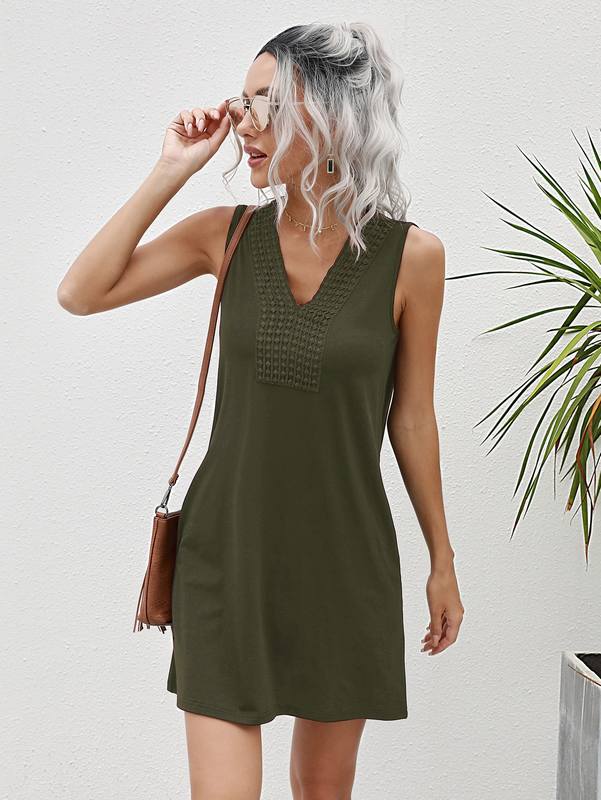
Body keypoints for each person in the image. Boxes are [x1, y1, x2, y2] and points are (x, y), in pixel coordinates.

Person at [58, 20, 464, 800]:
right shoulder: (225, 236)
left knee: (322, 791)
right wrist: (171, 169)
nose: (243, 122)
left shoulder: (413, 258)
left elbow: (411, 417)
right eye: (241, 101)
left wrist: (441, 561)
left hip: (343, 560)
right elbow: (81, 293)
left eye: (265, 103)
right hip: (226, 555)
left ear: (333, 115)